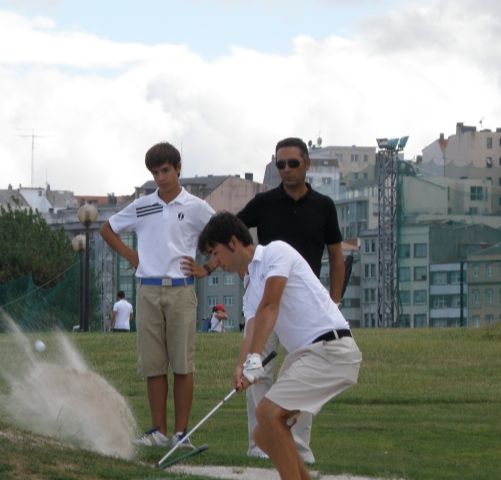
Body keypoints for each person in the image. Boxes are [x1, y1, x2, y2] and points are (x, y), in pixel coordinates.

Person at [197, 212, 361, 480]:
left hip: (332, 347)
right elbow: (250, 331)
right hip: (305, 356)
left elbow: (270, 305)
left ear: (234, 241)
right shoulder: (250, 288)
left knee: (267, 414)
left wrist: (254, 360)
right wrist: (241, 366)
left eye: (215, 253)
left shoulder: (275, 252)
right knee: (263, 434)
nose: (214, 263)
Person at [99, 142, 215, 451]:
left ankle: (181, 434)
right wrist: (131, 255)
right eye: (155, 172)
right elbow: (107, 228)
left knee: (182, 365)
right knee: (153, 365)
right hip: (147, 290)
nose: (161, 178)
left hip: (182, 290)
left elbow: (226, 235)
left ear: (178, 167)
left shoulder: (197, 207)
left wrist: (207, 269)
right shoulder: (142, 204)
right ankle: (158, 432)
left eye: (165, 170)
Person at [236, 136, 345, 462]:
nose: (286, 170)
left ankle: (296, 447)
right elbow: (235, 233)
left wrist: (334, 301)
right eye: (280, 164)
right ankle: (260, 445)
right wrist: (246, 272)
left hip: (304, 308)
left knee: (302, 376)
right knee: (258, 371)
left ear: (307, 164)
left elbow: (336, 257)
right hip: (265, 301)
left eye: (293, 163)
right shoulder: (265, 202)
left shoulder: (324, 205)